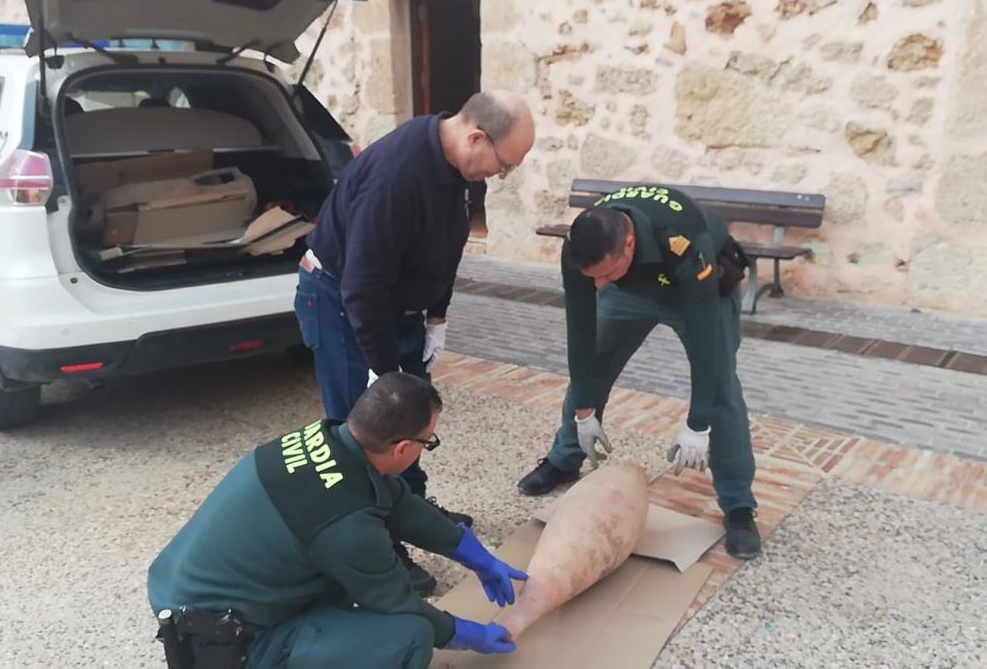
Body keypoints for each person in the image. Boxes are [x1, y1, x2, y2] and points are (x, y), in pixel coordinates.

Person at [295, 89, 535, 594]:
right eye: (504, 165)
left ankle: (410, 510)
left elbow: (447, 246)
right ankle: (376, 545)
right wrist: (384, 372)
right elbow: (363, 285)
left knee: (412, 427)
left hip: (397, 310)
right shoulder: (398, 175)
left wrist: (437, 316)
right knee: (363, 437)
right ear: (476, 136)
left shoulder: (455, 167)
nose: (499, 175)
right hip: (345, 305)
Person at [147, 372, 525, 669]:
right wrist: (464, 633)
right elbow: (398, 603)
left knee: (340, 587)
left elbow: (396, 501)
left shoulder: (326, 440)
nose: (428, 447)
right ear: (403, 448)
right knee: (410, 634)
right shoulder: (347, 525)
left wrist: (474, 555)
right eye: (430, 441)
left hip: (188, 589)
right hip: (226, 638)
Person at [515, 185, 763, 560]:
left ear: (629, 244)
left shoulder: (683, 240)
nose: (596, 285)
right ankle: (564, 458)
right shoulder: (582, 248)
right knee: (593, 366)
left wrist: (697, 424)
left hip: (695, 292)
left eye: (604, 273)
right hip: (629, 291)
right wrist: (584, 409)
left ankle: (738, 506)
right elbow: (580, 334)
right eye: (591, 277)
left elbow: (705, 350)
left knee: (721, 388)